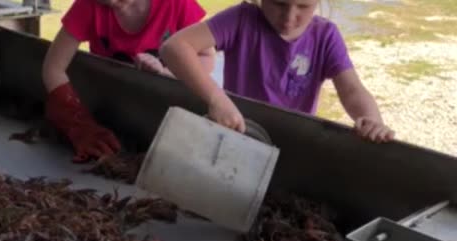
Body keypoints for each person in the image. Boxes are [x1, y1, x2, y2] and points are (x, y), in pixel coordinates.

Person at [160, 0, 395, 143]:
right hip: (239, 134)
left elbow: (352, 89)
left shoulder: (325, 36)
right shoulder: (240, 20)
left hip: (294, 143)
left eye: (303, 6)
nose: (290, 17)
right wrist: (216, 99)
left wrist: (372, 120)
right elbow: (175, 47)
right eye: (279, 3)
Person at [42, 0, 214, 163]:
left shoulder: (177, 4)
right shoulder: (89, 5)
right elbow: (53, 68)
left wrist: (166, 73)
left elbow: (206, 58)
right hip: (111, 115)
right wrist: (78, 124)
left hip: (170, 121)